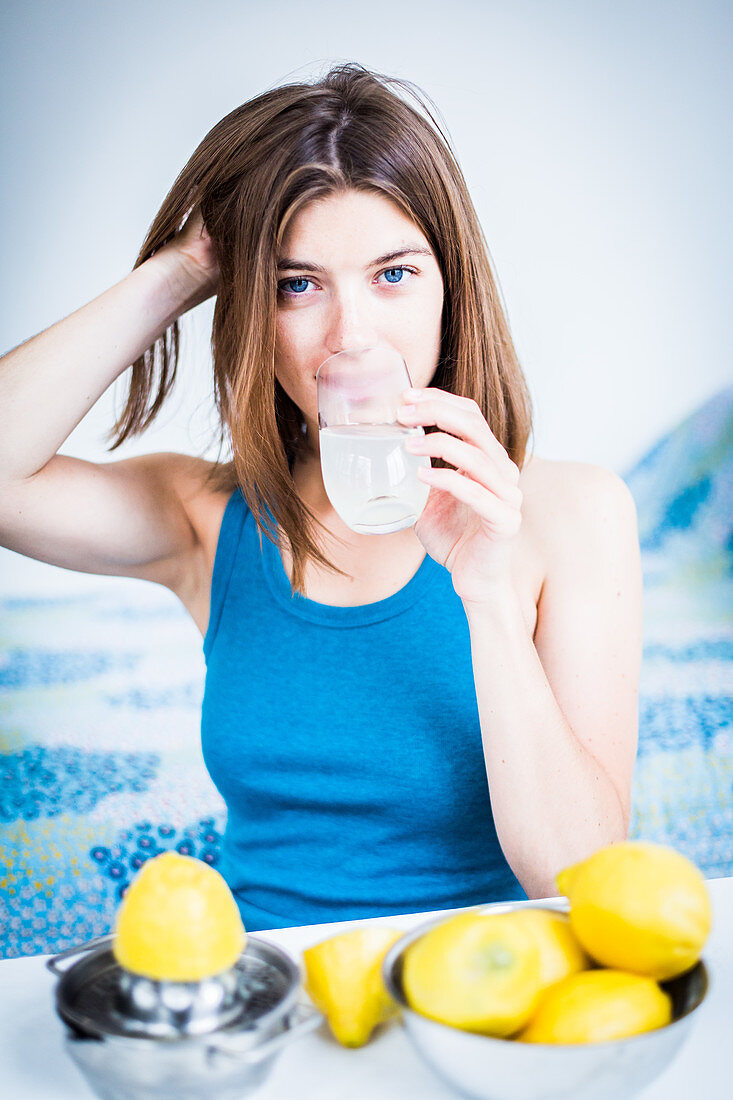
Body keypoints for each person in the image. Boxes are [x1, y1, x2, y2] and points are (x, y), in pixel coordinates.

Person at [0, 63, 642, 931]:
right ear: (249, 314)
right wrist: (185, 266)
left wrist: (487, 594)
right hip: (265, 1006)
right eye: (296, 285)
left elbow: (577, 881)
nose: (350, 338)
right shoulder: (207, 519)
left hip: (470, 1003)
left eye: (393, 275)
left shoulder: (571, 514)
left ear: (452, 288)